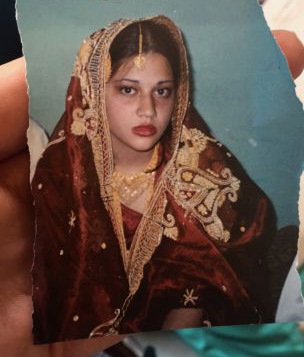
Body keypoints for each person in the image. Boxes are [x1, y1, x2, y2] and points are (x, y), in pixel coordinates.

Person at [0, 28, 303, 356]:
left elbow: (245, 246)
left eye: (162, 91)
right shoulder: (61, 177)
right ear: (95, 92)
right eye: (128, 90)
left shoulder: (201, 164)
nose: (147, 109)